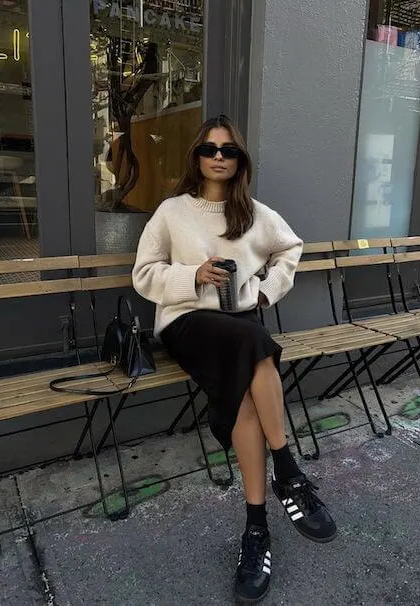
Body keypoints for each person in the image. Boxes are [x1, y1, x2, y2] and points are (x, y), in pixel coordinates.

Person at [132, 114, 336, 603]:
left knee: (246, 390)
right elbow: (143, 274)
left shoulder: (254, 213)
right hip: (187, 322)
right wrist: (193, 275)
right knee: (256, 346)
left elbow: (291, 249)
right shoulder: (172, 210)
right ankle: (287, 470)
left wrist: (264, 294)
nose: (219, 157)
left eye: (229, 151)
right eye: (210, 149)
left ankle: (256, 529)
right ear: (196, 158)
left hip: (240, 326)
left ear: (239, 160)